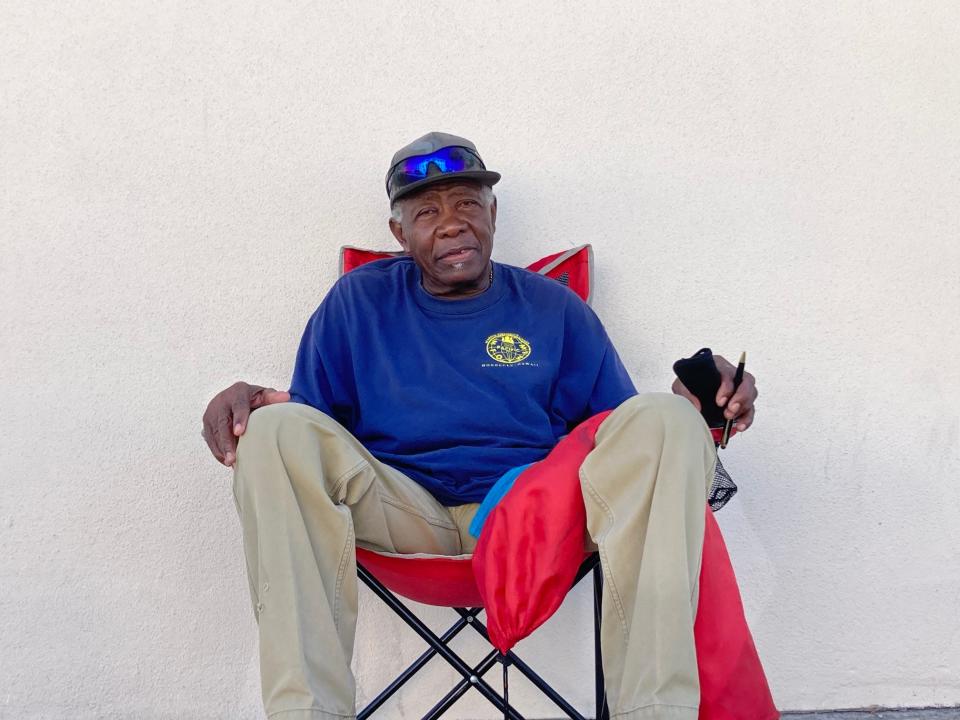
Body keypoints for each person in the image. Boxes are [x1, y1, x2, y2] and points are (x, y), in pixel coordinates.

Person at [202, 132, 759, 720]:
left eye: (467, 204)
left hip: (532, 517)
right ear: (399, 234)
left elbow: (619, 437)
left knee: (665, 418)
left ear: (493, 214)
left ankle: (656, 713)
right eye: (426, 212)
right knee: (271, 433)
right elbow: (311, 430)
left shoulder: (554, 307)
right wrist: (256, 406)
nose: (450, 224)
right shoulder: (356, 303)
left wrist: (698, 407)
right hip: (403, 515)